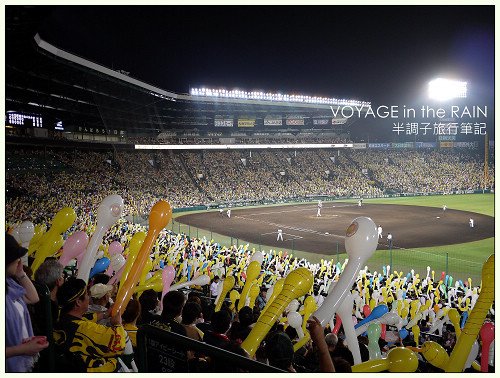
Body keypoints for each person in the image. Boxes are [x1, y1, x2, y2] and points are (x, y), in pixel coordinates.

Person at [53, 278, 127, 372]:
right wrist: (118, 324)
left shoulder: (60, 316)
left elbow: (85, 319)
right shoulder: (84, 329)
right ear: (78, 302)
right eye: (87, 294)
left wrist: (105, 314)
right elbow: (118, 345)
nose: (89, 297)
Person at [6, 233, 49, 372]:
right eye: (15, 257)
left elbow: (33, 298)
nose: (19, 260)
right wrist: (24, 349)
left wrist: (21, 273)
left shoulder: (9, 284)